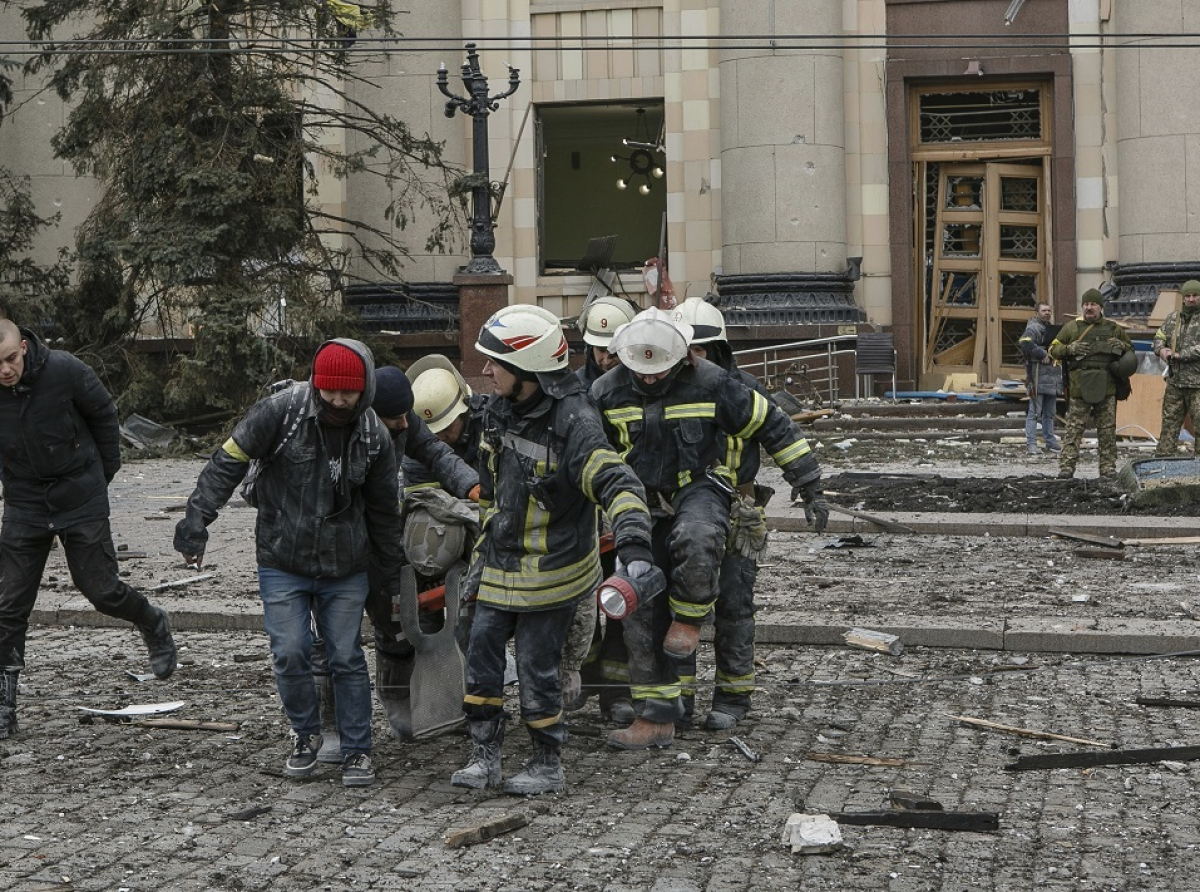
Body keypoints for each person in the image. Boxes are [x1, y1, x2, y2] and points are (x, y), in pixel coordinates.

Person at [591, 307, 827, 750]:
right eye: (640, 372)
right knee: (640, 611)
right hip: (637, 501)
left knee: (698, 540)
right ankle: (658, 715)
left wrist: (809, 485)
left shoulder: (714, 384)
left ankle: (692, 625)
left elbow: (774, 426)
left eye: (657, 371)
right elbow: (583, 449)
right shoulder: (606, 391)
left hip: (699, 488)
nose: (647, 380)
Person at [174, 339, 405, 787]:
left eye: (348, 393)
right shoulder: (280, 413)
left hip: (346, 566)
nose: (337, 400)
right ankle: (305, 735)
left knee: (345, 655)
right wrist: (196, 520)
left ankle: (357, 750)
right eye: (329, 390)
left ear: (366, 390)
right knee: (290, 651)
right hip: (283, 558)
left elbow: (383, 515)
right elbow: (227, 463)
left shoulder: (375, 435)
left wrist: (392, 580)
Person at [451, 304, 654, 795]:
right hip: (500, 563)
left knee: (538, 668)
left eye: (495, 362)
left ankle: (547, 763)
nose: (485, 371)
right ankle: (485, 757)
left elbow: (617, 483)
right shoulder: (501, 409)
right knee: (480, 654)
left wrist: (634, 544)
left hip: (553, 571)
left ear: (527, 369)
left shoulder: (576, 422)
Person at [0, 319, 178, 739]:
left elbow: (105, 418)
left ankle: (152, 621)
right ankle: (5, 705)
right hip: (25, 502)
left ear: (23, 347)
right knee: (8, 606)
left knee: (100, 590)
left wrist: (100, 480)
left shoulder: (66, 370)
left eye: (10, 359)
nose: (5, 370)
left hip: (80, 495)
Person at [672, 297, 774, 730]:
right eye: (686, 351)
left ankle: (733, 697)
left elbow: (781, 434)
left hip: (739, 512)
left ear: (717, 351)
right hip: (688, 512)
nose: (693, 360)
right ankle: (679, 699)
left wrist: (809, 484)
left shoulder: (745, 390)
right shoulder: (668, 392)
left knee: (735, 604)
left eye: (700, 351)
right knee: (682, 604)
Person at [1048, 289, 1134, 480]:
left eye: (1093, 304)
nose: (1089, 308)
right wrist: (1070, 348)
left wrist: (1121, 347)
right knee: (1074, 430)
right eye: (1086, 304)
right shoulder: (1071, 328)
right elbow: (1053, 350)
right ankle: (1067, 468)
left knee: (1107, 431)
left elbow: (1130, 352)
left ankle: (1108, 469)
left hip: (1107, 387)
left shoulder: (1114, 329)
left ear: (1101, 307)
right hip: (1080, 387)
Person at [1152, 280, 1200, 457]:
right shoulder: (1174, 318)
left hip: (1197, 384)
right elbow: (1159, 336)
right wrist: (1161, 350)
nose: (1191, 299)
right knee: (1169, 426)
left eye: (1195, 295)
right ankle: (1163, 464)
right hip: (1175, 383)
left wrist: (1182, 354)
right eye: (1187, 296)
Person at [1018, 302, 1063, 456]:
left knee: (1050, 413)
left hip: (1052, 377)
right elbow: (1024, 342)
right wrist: (1041, 353)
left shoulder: (1049, 329)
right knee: (1034, 412)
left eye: (1049, 310)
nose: (1047, 313)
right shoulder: (1034, 328)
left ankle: (1050, 441)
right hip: (1037, 375)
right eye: (1044, 310)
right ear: (1037, 312)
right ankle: (1031, 443)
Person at [575, 296, 638, 388]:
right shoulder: (578, 385)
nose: (606, 361)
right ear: (590, 348)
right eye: (601, 350)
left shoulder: (644, 382)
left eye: (614, 352)